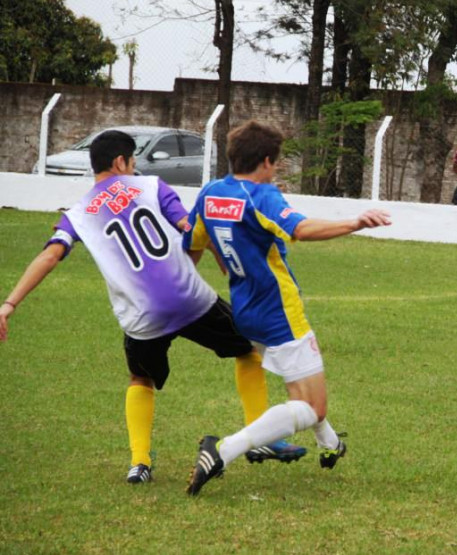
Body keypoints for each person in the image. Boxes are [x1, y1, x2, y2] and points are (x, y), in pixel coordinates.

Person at [0, 130, 305, 485]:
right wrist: (220, 256)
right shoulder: (152, 187)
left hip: (142, 316)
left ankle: (139, 463)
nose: (134, 169)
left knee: (140, 377)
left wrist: (9, 304)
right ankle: (260, 439)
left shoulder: (78, 214)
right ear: (120, 162)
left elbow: (51, 255)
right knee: (247, 349)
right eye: (132, 162)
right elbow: (191, 227)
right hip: (189, 297)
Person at [184, 120, 391, 496]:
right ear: (265, 161)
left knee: (302, 390)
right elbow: (300, 228)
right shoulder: (261, 195)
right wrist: (354, 223)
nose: (276, 169)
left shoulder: (211, 193)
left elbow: (194, 244)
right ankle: (223, 450)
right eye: (276, 162)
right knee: (313, 407)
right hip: (278, 312)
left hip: (244, 309)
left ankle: (330, 445)